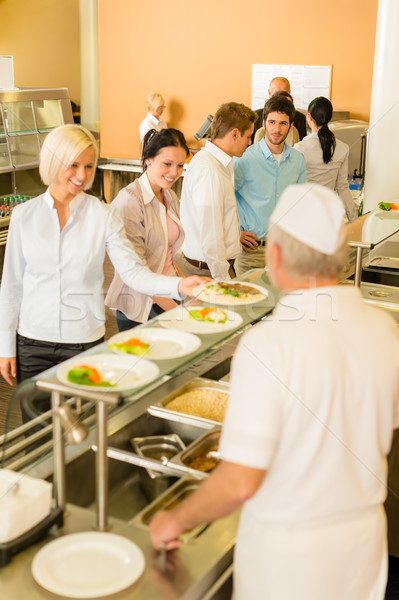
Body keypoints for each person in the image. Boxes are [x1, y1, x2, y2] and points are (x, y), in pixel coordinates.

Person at [149, 183, 399, 600]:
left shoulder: (269, 345)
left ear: (276, 256)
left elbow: (240, 482)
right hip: (362, 548)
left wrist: (174, 521)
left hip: (291, 560)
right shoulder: (384, 331)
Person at [0, 124, 207, 386]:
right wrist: (6, 346)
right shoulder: (24, 216)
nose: (82, 175)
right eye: (73, 165)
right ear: (53, 161)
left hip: (84, 342)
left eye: (88, 166)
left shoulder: (103, 215)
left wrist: (179, 285)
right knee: (36, 427)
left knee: (80, 423)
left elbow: (133, 272)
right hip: (31, 342)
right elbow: (11, 287)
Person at [105, 128, 188, 331]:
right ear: (148, 160)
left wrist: (190, 293)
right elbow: (137, 271)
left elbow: (167, 257)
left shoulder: (169, 196)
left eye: (180, 166)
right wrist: (180, 312)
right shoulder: (130, 201)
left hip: (170, 296)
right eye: (167, 164)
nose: (174, 173)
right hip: (143, 306)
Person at [175, 102, 258, 281]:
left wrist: (233, 234)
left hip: (212, 265)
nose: (250, 143)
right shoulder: (209, 171)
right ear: (234, 134)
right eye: (249, 137)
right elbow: (210, 236)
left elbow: (213, 219)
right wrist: (224, 282)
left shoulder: (217, 163)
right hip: (208, 270)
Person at [234, 94, 306, 276]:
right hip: (252, 253)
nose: (277, 129)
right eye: (272, 122)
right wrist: (235, 233)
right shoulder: (245, 158)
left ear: (291, 127)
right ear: (264, 123)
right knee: (247, 304)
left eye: (283, 123)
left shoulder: (297, 160)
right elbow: (225, 200)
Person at [294, 96, 358, 222]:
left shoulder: (300, 148)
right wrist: (354, 220)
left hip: (305, 214)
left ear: (309, 117)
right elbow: (342, 187)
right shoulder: (342, 148)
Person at [252, 75, 307, 143]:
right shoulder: (256, 116)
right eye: (272, 122)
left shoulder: (300, 118)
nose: (280, 98)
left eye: (283, 123)